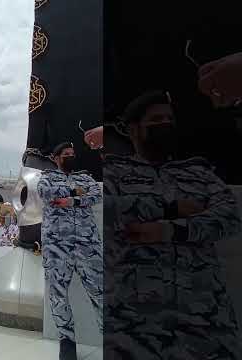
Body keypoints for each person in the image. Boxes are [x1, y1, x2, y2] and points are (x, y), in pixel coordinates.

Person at [104, 91, 242, 359]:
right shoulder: (114, 172)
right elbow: (106, 209)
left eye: (169, 118)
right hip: (132, 324)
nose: (166, 124)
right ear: (133, 130)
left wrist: (171, 229)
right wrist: (171, 208)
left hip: (205, 320)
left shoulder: (199, 173)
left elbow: (230, 215)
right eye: (156, 119)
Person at [37, 142, 103, 360]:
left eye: (73, 154)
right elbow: (46, 193)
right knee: (58, 294)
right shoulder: (47, 177)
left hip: (88, 244)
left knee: (100, 291)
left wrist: (72, 201)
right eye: (66, 154)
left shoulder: (86, 177)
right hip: (56, 246)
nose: (71, 157)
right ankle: (67, 341)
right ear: (56, 158)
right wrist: (76, 192)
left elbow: (96, 194)